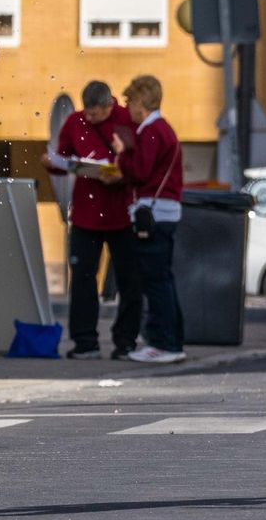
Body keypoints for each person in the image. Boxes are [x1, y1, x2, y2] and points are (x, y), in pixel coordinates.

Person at [42, 81, 143, 359]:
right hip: (86, 215)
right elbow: (63, 159)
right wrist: (54, 164)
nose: (89, 118)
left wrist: (121, 172)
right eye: (87, 112)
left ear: (109, 105)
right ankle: (85, 342)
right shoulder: (75, 122)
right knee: (83, 280)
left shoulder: (125, 118)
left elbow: (137, 163)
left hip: (122, 213)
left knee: (129, 281)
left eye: (96, 114)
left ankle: (126, 341)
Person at [113, 75, 185, 364]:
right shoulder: (163, 129)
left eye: (131, 100)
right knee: (163, 279)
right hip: (166, 211)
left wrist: (122, 155)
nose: (128, 107)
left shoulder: (152, 131)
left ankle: (162, 342)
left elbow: (140, 172)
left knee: (154, 281)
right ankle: (172, 340)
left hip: (153, 213)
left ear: (143, 101)